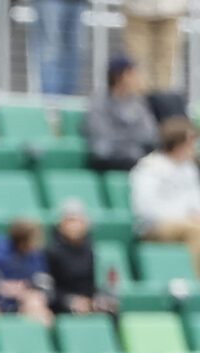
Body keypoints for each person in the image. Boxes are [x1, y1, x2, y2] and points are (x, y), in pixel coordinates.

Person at [132, 118, 200, 273]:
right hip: (154, 227)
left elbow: (195, 201)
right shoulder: (149, 167)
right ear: (178, 144)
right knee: (197, 231)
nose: (194, 149)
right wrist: (184, 218)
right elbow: (146, 208)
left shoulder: (189, 169)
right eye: (191, 144)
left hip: (187, 221)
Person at [89, 56, 158, 172]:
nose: (136, 78)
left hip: (135, 154)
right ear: (120, 76)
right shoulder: (99, 103)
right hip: (110, 157)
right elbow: (102, 135)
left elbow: (149, 133)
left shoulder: (138, 102)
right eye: (131, 73)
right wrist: (130, 142)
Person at [0, 217, 56, 321]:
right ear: (23, 238)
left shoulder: (36, 256)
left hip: (26, 302)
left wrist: (30, 290)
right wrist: (3, 287)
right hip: (1, 303)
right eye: (35, 236)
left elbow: (46, 285)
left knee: (39, 307)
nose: (39, 240)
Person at [46, 199, 110, 311]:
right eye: (71, 221)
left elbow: (96, 283)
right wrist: (70, 300)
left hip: (88, 301)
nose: (75, 226)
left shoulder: (91, 249)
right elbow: (48, 286)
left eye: (79, 221)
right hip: (60, 304)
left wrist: (95, 300)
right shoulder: (51, 251)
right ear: (61, 224)